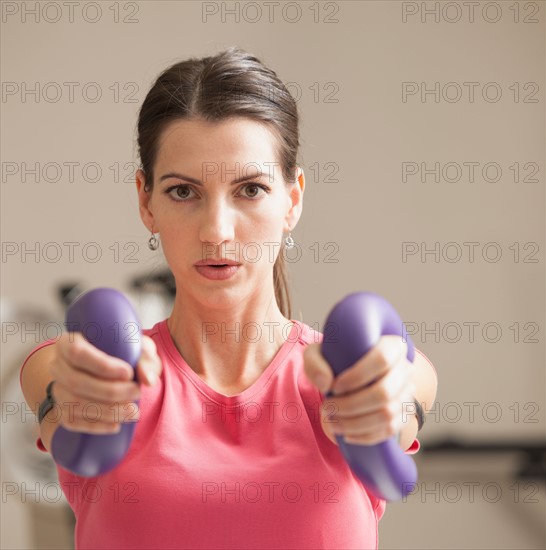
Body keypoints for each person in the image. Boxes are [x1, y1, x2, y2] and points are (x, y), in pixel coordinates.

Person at [19, 47, 438, 550]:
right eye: (182, 192)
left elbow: (402, 394)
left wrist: (383, 408)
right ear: (144, 200)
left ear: (294, 199)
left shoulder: (361, 370)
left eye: (251, 189)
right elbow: (60, 392)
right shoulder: (88, 368)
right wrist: (75, 403)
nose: (217, 232)